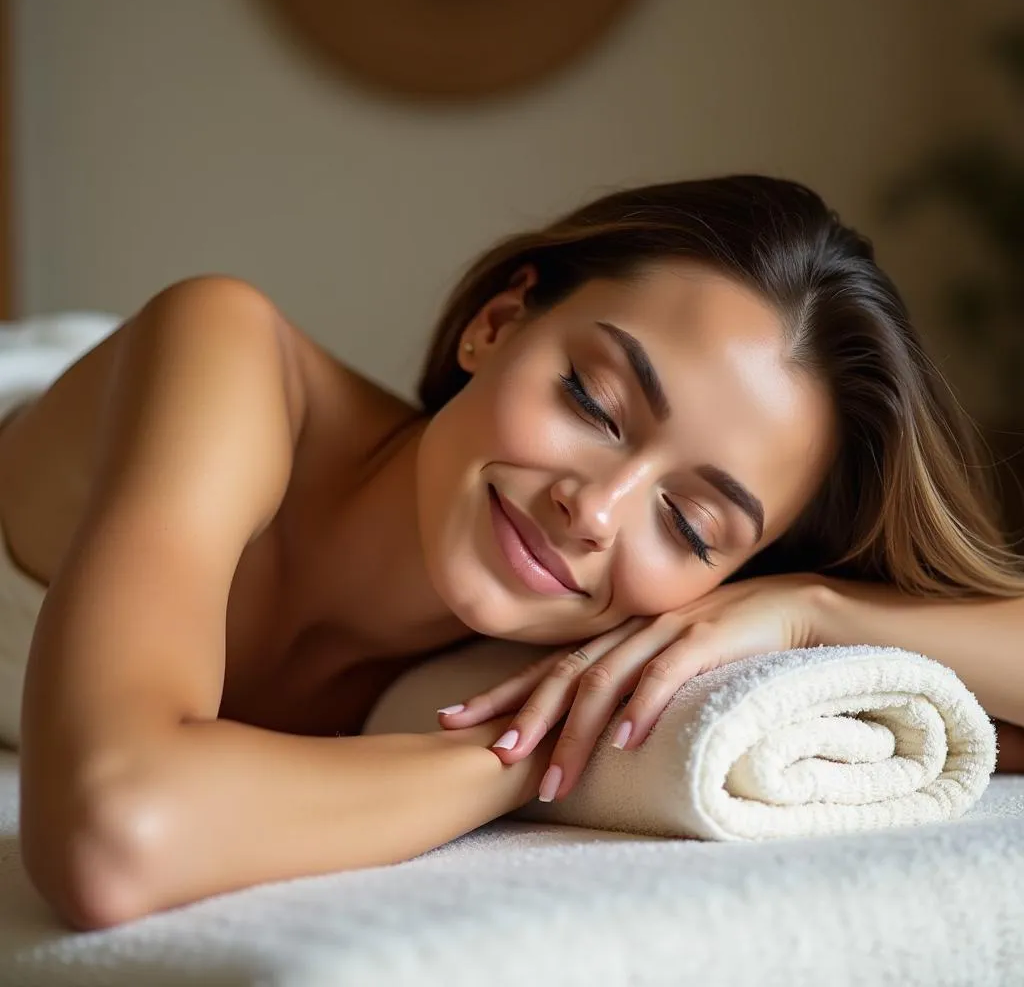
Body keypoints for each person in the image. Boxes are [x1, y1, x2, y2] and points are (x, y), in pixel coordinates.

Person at [2, 175, 1022, 932]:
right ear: (495, 324)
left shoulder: (625, 622)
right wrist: (512, 760)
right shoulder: (222, 349)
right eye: (592, 401)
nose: (597, 510)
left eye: (694, 524)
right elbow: (113, 835)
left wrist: (813, 612)